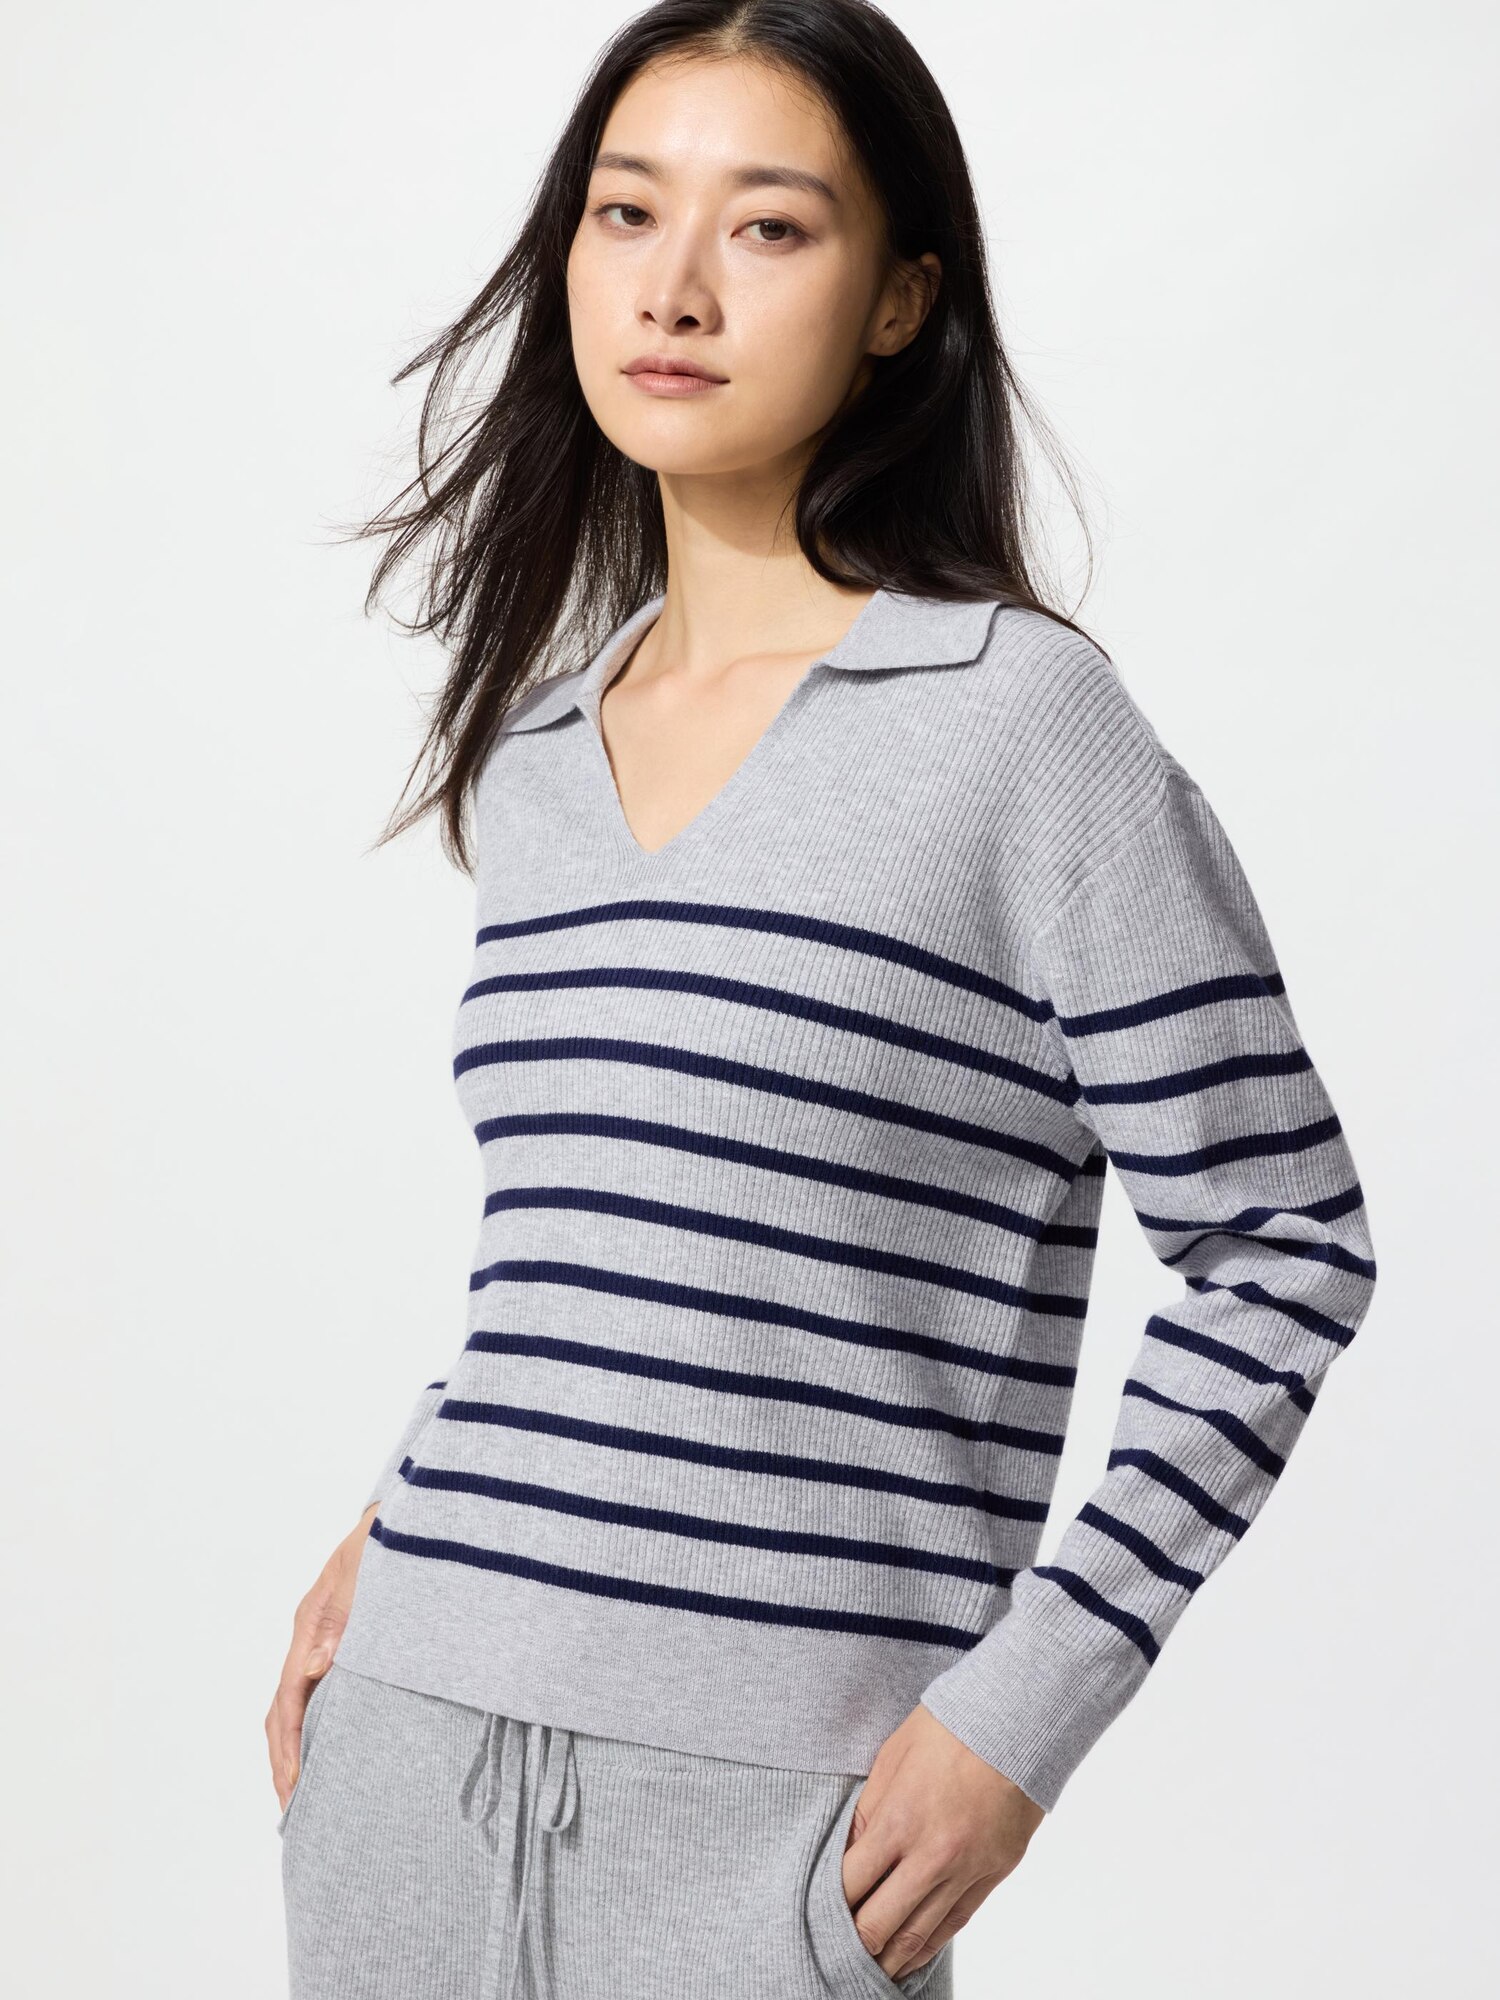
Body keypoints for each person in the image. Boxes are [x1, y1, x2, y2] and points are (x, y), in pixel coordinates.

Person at [266, 4, 1378, 1994]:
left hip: (777, 1830)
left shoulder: (1020, 726)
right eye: (626, 213)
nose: (674, 287)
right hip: (404, 1754)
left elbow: (1284, 1243)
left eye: (769, 227)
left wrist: (1022, 1717)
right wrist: (384, 1529)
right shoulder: (544, 747)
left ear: (900, 300)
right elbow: (597, 1251)